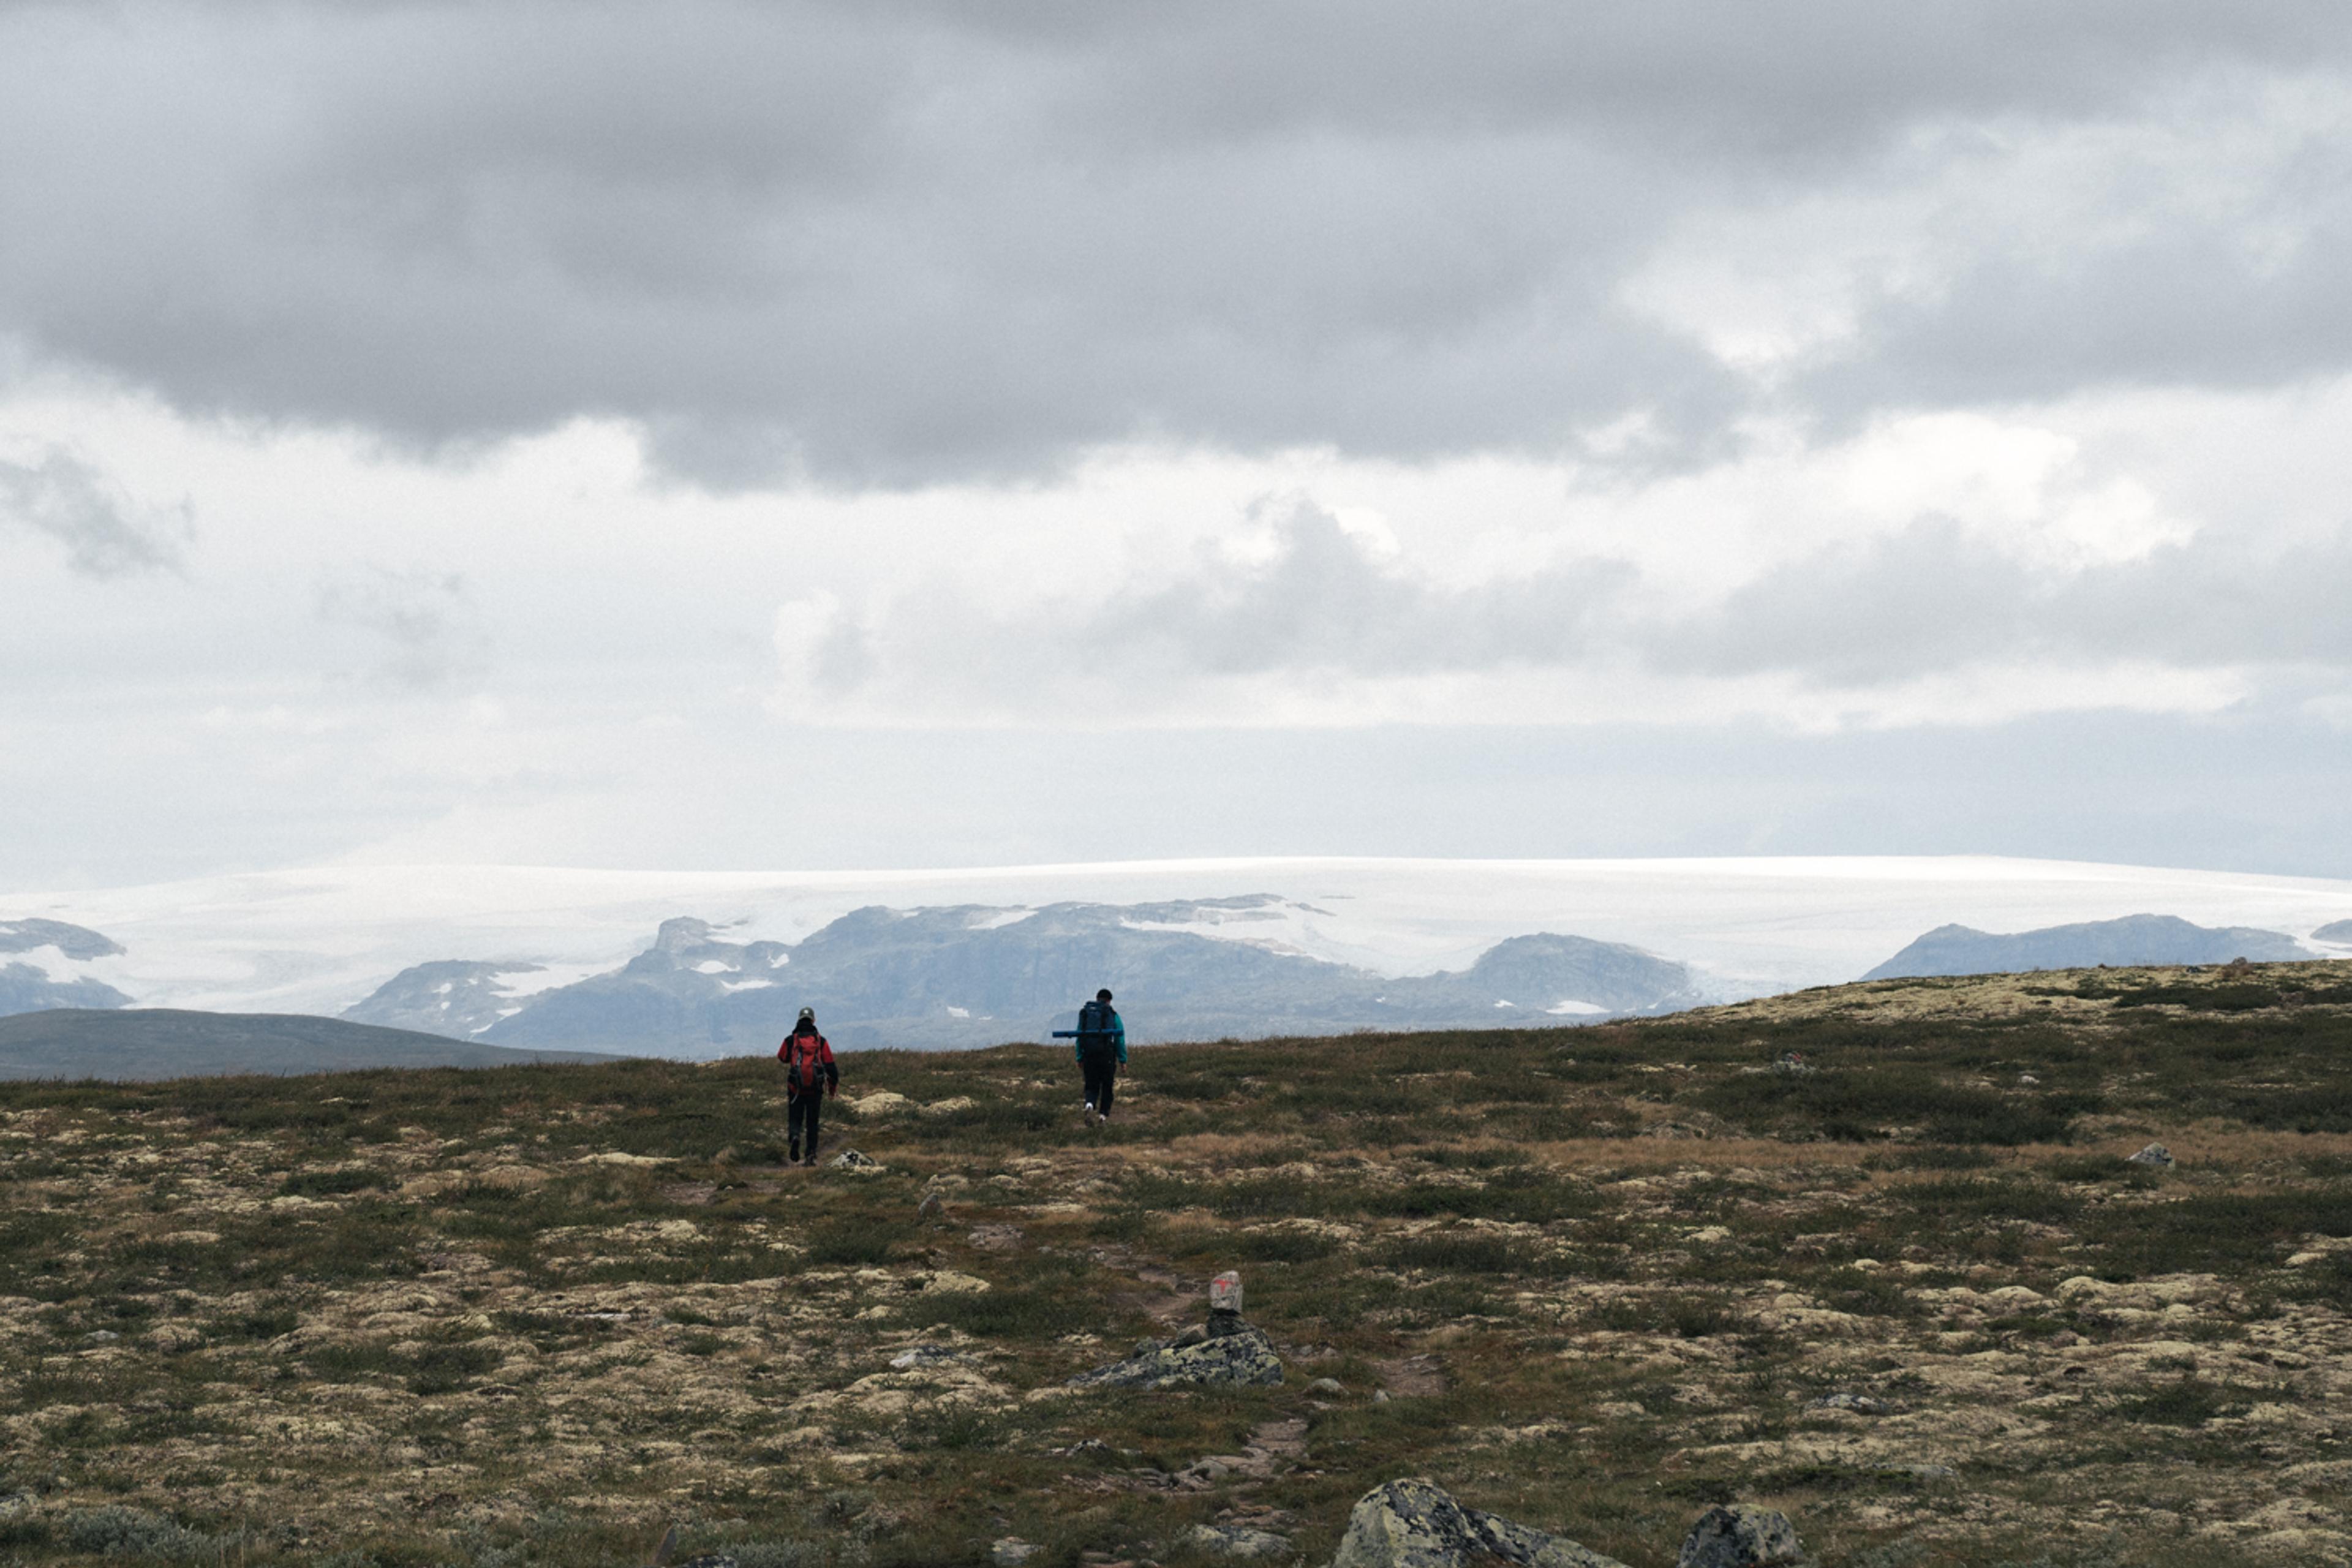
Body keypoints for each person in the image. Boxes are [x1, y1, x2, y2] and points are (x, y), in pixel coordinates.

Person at [777, 1007, 839, 1165]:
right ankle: (810, 1155)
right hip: (815, 1089)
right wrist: (832, 1090)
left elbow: (782, 1057)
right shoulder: (821, 1041)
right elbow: (831, 1068)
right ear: (813, 1020)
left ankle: (795, 1136)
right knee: (812, 1122)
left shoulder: (791, 1040)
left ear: (798, 1020)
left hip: (795, 1088)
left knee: (795, 1117)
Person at [1072, 987, 1125, 1124]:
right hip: (1106, 1055)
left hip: (1089, 1054)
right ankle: (1103, 1116)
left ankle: (1089, 1104)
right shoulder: (1112, 1015)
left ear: (1097, 999)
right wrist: (1122, 1060)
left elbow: (1079, 1036)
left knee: (1091, 1085)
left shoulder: (1085, 1013)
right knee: (1107, 1086)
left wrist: (1079, 1057)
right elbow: (1120, 1038)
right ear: (1109, 1001)